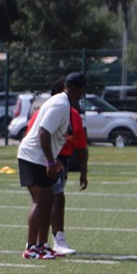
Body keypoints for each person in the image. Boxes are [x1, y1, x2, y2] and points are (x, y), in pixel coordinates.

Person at [17, 72, 85, 259]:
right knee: (41, 200)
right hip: (34, 156)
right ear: (77, 89)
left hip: (39, 156)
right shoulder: (61, 105)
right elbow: (44, 133)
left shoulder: (60, 102)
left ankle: (42, 245)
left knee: (49, 199)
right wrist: (51, 161)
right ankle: (31, 247)